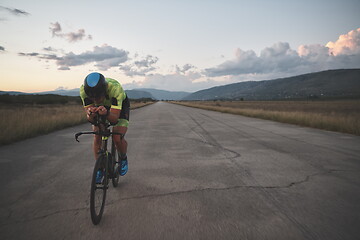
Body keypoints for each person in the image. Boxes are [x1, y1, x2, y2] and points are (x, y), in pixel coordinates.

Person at [80, 72, 130, 182]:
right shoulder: (83, 91)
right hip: (102, 108)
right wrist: (90, 114)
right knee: (97, 136)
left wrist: (107, 114)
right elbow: (91, 120)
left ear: (104, 90)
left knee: (117, 137)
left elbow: (114, 120)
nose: (95, 100)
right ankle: (100, 169)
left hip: (119, 108)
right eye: (92, 98)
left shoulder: (115, 89)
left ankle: (123, 158)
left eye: (98, 97)